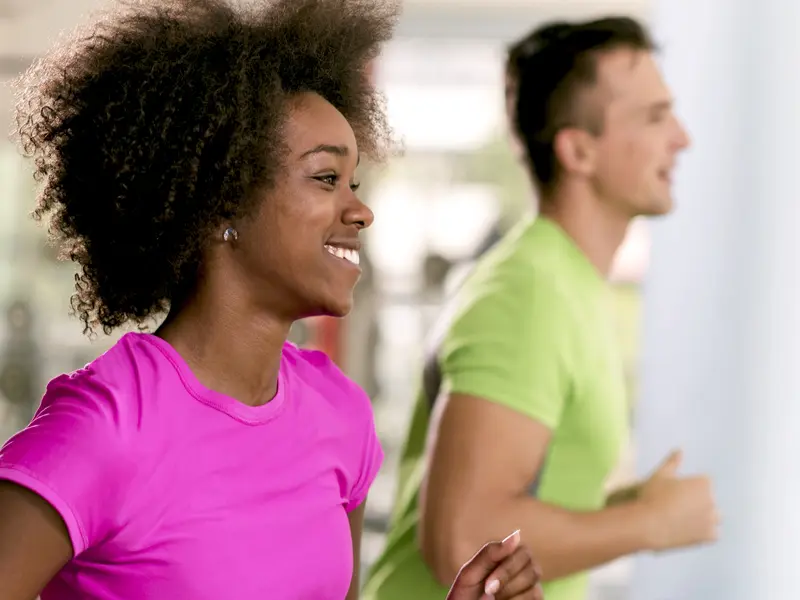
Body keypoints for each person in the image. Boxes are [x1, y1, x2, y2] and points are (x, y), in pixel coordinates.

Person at [0, 1, 543, 599]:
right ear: (223, 201)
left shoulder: (340, 414)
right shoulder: (107, 425)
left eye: (354, 183)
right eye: (325, 178)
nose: (360, 210)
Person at [364, 16, 719, 600]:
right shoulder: (528, 294)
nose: (681, 137)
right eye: (655, 117)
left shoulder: (567, 282)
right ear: (578, 149)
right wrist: (646, 524)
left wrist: (619, 511)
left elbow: (515, 505)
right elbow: (465, 540)